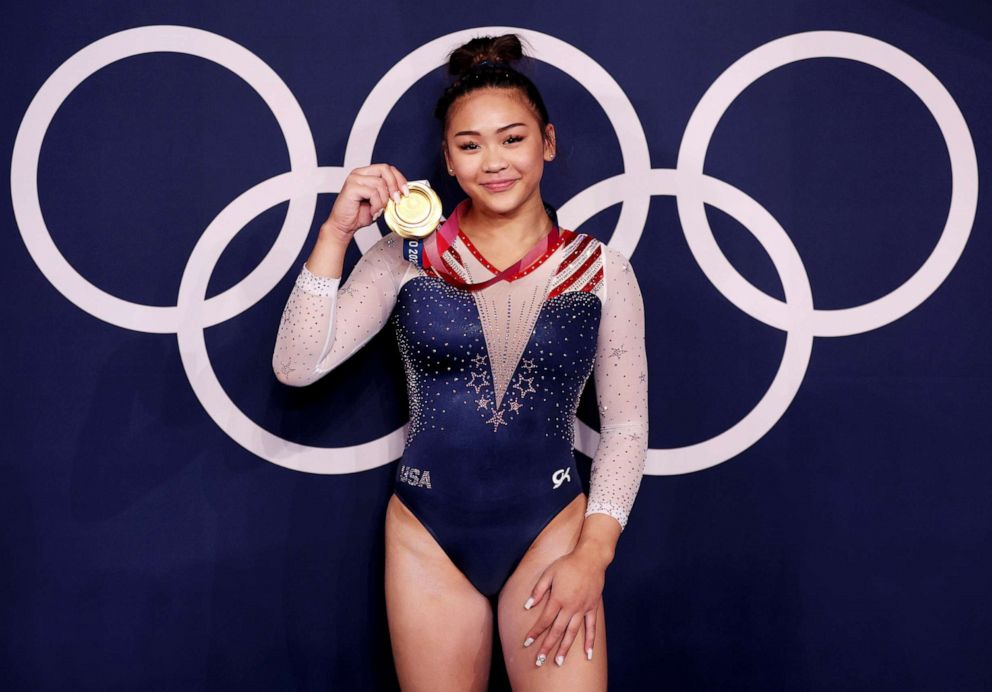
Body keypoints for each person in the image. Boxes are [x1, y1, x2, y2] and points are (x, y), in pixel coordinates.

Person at [272, 33, 648, 692]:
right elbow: (297, 365)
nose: (493, 162)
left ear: (548, 143)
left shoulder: (601, 270)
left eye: (513, 139)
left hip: (553, 534)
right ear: (447, 159)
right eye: (470, 145)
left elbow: (624, 428)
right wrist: (335, 234)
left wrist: (595, 552)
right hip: (428, 540)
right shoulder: (406, 256)